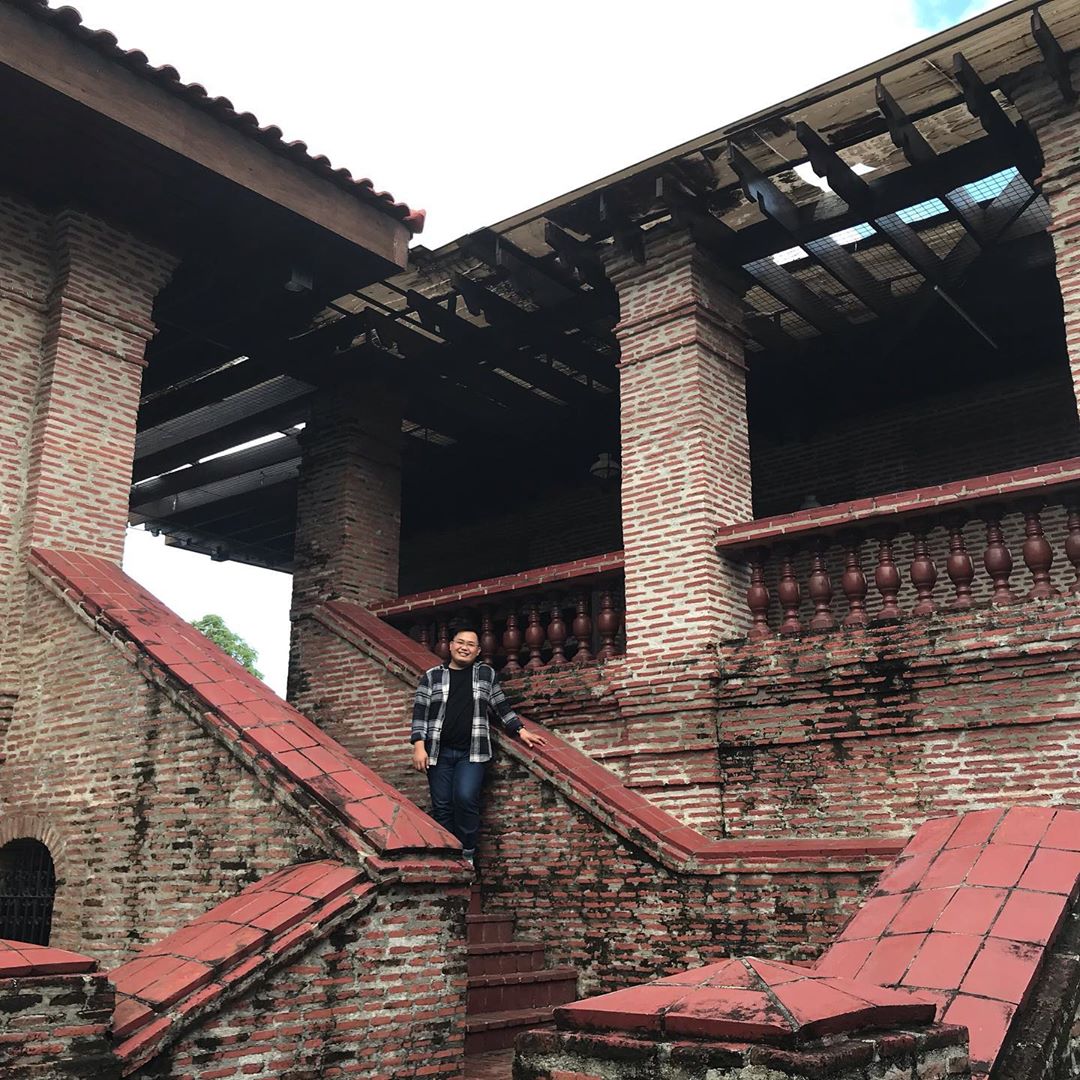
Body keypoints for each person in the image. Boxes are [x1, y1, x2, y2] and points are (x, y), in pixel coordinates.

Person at [409, 626, 546, 864]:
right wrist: (418, 746)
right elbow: (420, 713)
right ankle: (447, 856)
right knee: (441, 806)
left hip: (471, 753)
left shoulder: (485, 674)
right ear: (450, 646)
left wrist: (520, 730)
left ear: (478, 650)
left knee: (465, 798)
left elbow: (501, 707)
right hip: (437, 754)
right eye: (460, 642)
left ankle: (467, 854)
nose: (464, 647)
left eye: (470, 644)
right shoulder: (432, 676)